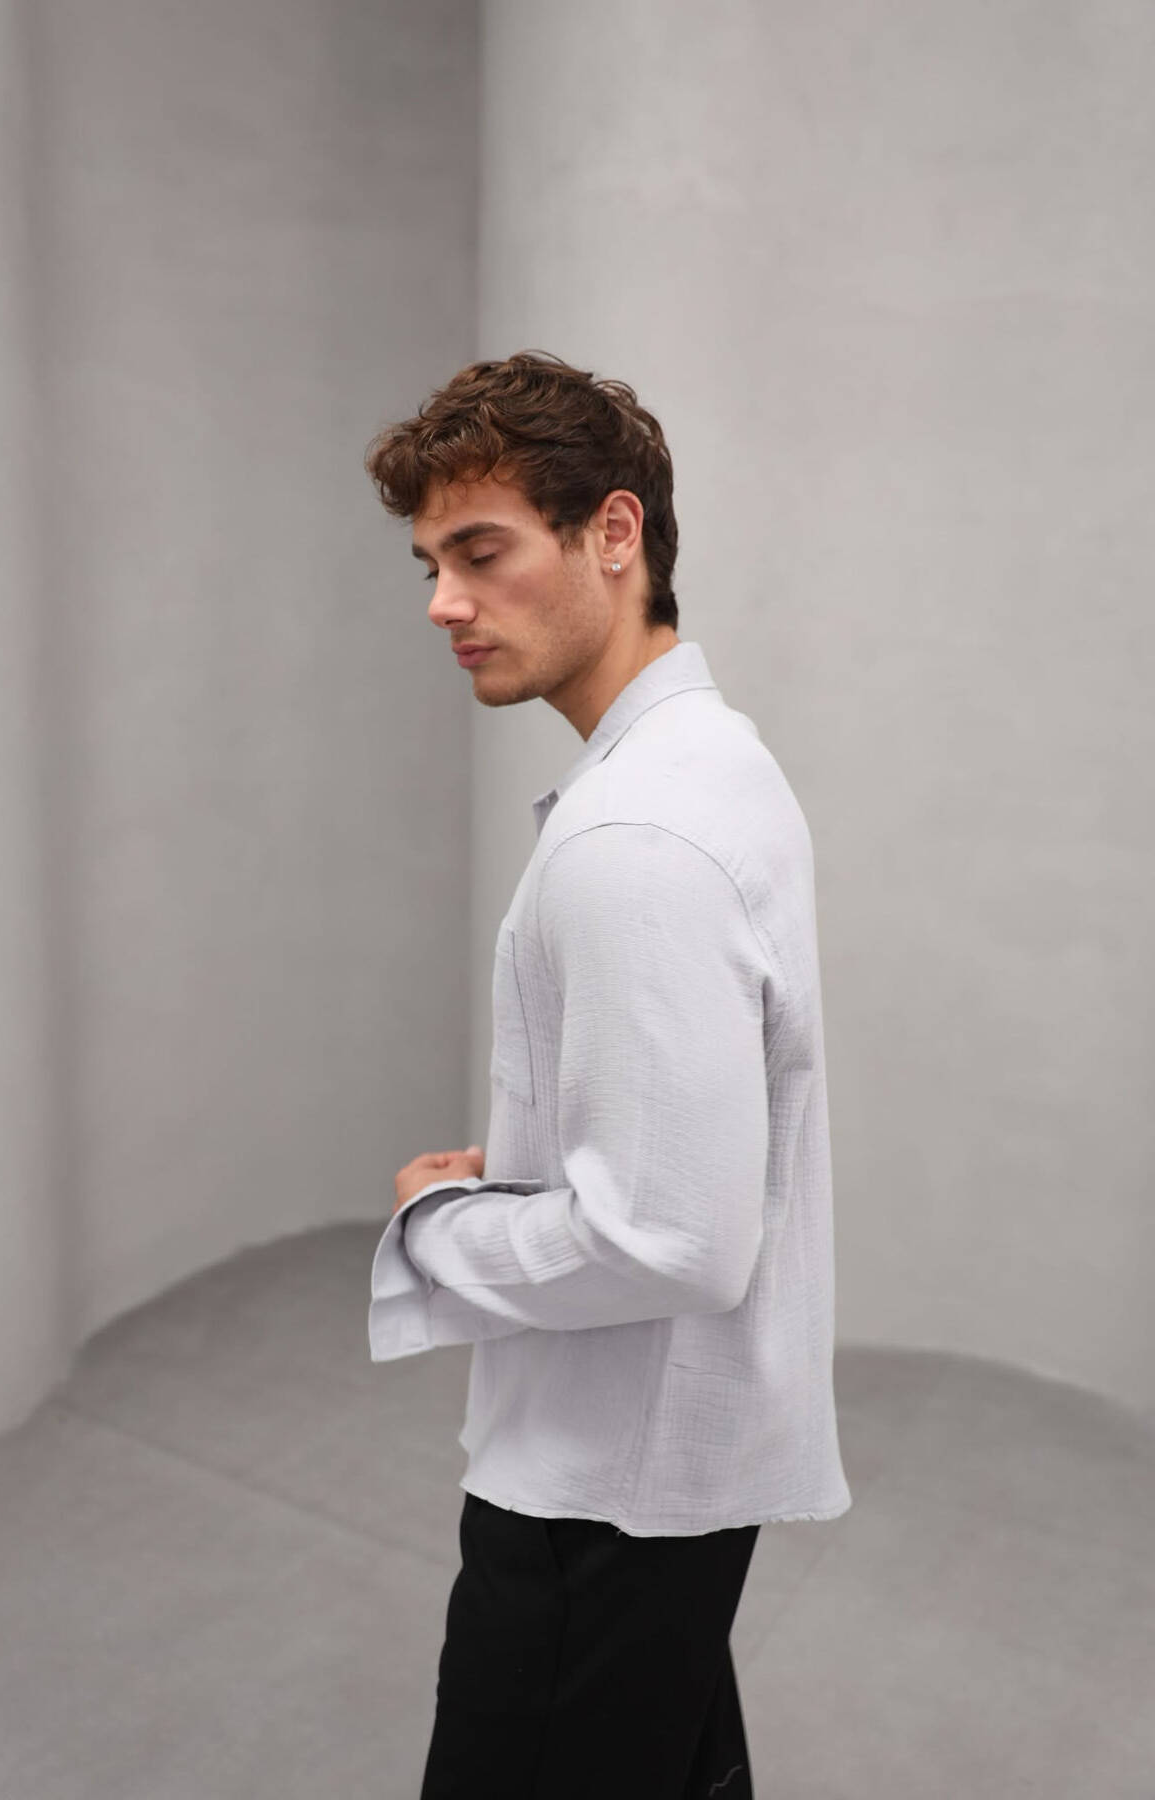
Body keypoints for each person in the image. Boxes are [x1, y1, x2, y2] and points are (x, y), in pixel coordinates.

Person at [364, 350, 852, 1799]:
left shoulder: (634, 838)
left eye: (481, 552)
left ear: (614, 533)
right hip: (664, 1483)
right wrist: (530, 1174)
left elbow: (674, 1240)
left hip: (597, 1506)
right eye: (431, 565)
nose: (443, 603)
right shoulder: (716, 761)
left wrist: (440, 1228)